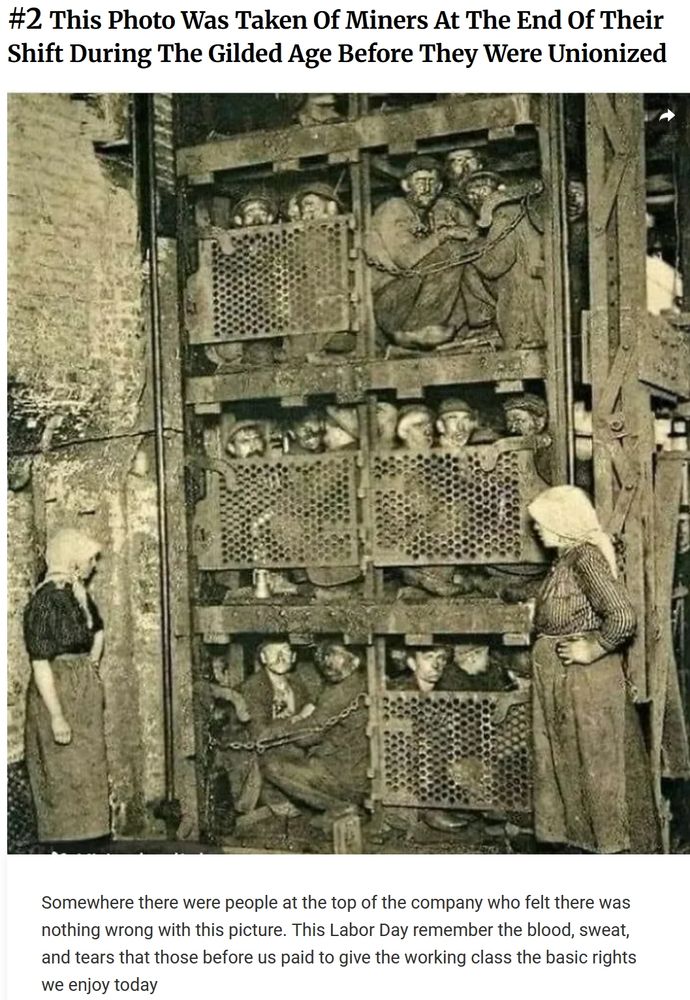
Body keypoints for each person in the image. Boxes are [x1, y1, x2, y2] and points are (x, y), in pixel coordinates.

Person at [527, 485, 656, 853]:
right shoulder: (567, 559)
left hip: (585, 682)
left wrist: (593, 648)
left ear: (563, 522)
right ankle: (587, 845)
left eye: (542, 521)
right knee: (575, 765)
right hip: (566, 680)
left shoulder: (585, 558)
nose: (536, 528)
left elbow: (622, 616)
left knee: (597, 763)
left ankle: (610, 849)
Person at [23, 528, 110, 848]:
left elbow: (98, 631)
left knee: (88, 769)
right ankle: (65, 845)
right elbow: (40, 662)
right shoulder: (45, 601)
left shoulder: (78, 595)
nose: (93, 565)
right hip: (56, 692)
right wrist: (57, 715)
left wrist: (90, 668)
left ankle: (88, 840)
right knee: (63, 771)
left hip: (82, 691)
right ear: (73, 562)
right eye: (89, 560)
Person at [366, 156, 475, 350]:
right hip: (387, 305)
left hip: (407, 296)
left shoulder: (426, 215)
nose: (426, 188)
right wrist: (444, 234)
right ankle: (417, 328)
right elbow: (406, 259)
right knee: (450, 251)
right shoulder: (395, 208)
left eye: (431, 182)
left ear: (439, 187)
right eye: (420, 181)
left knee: (465, 253)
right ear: (406, 185)